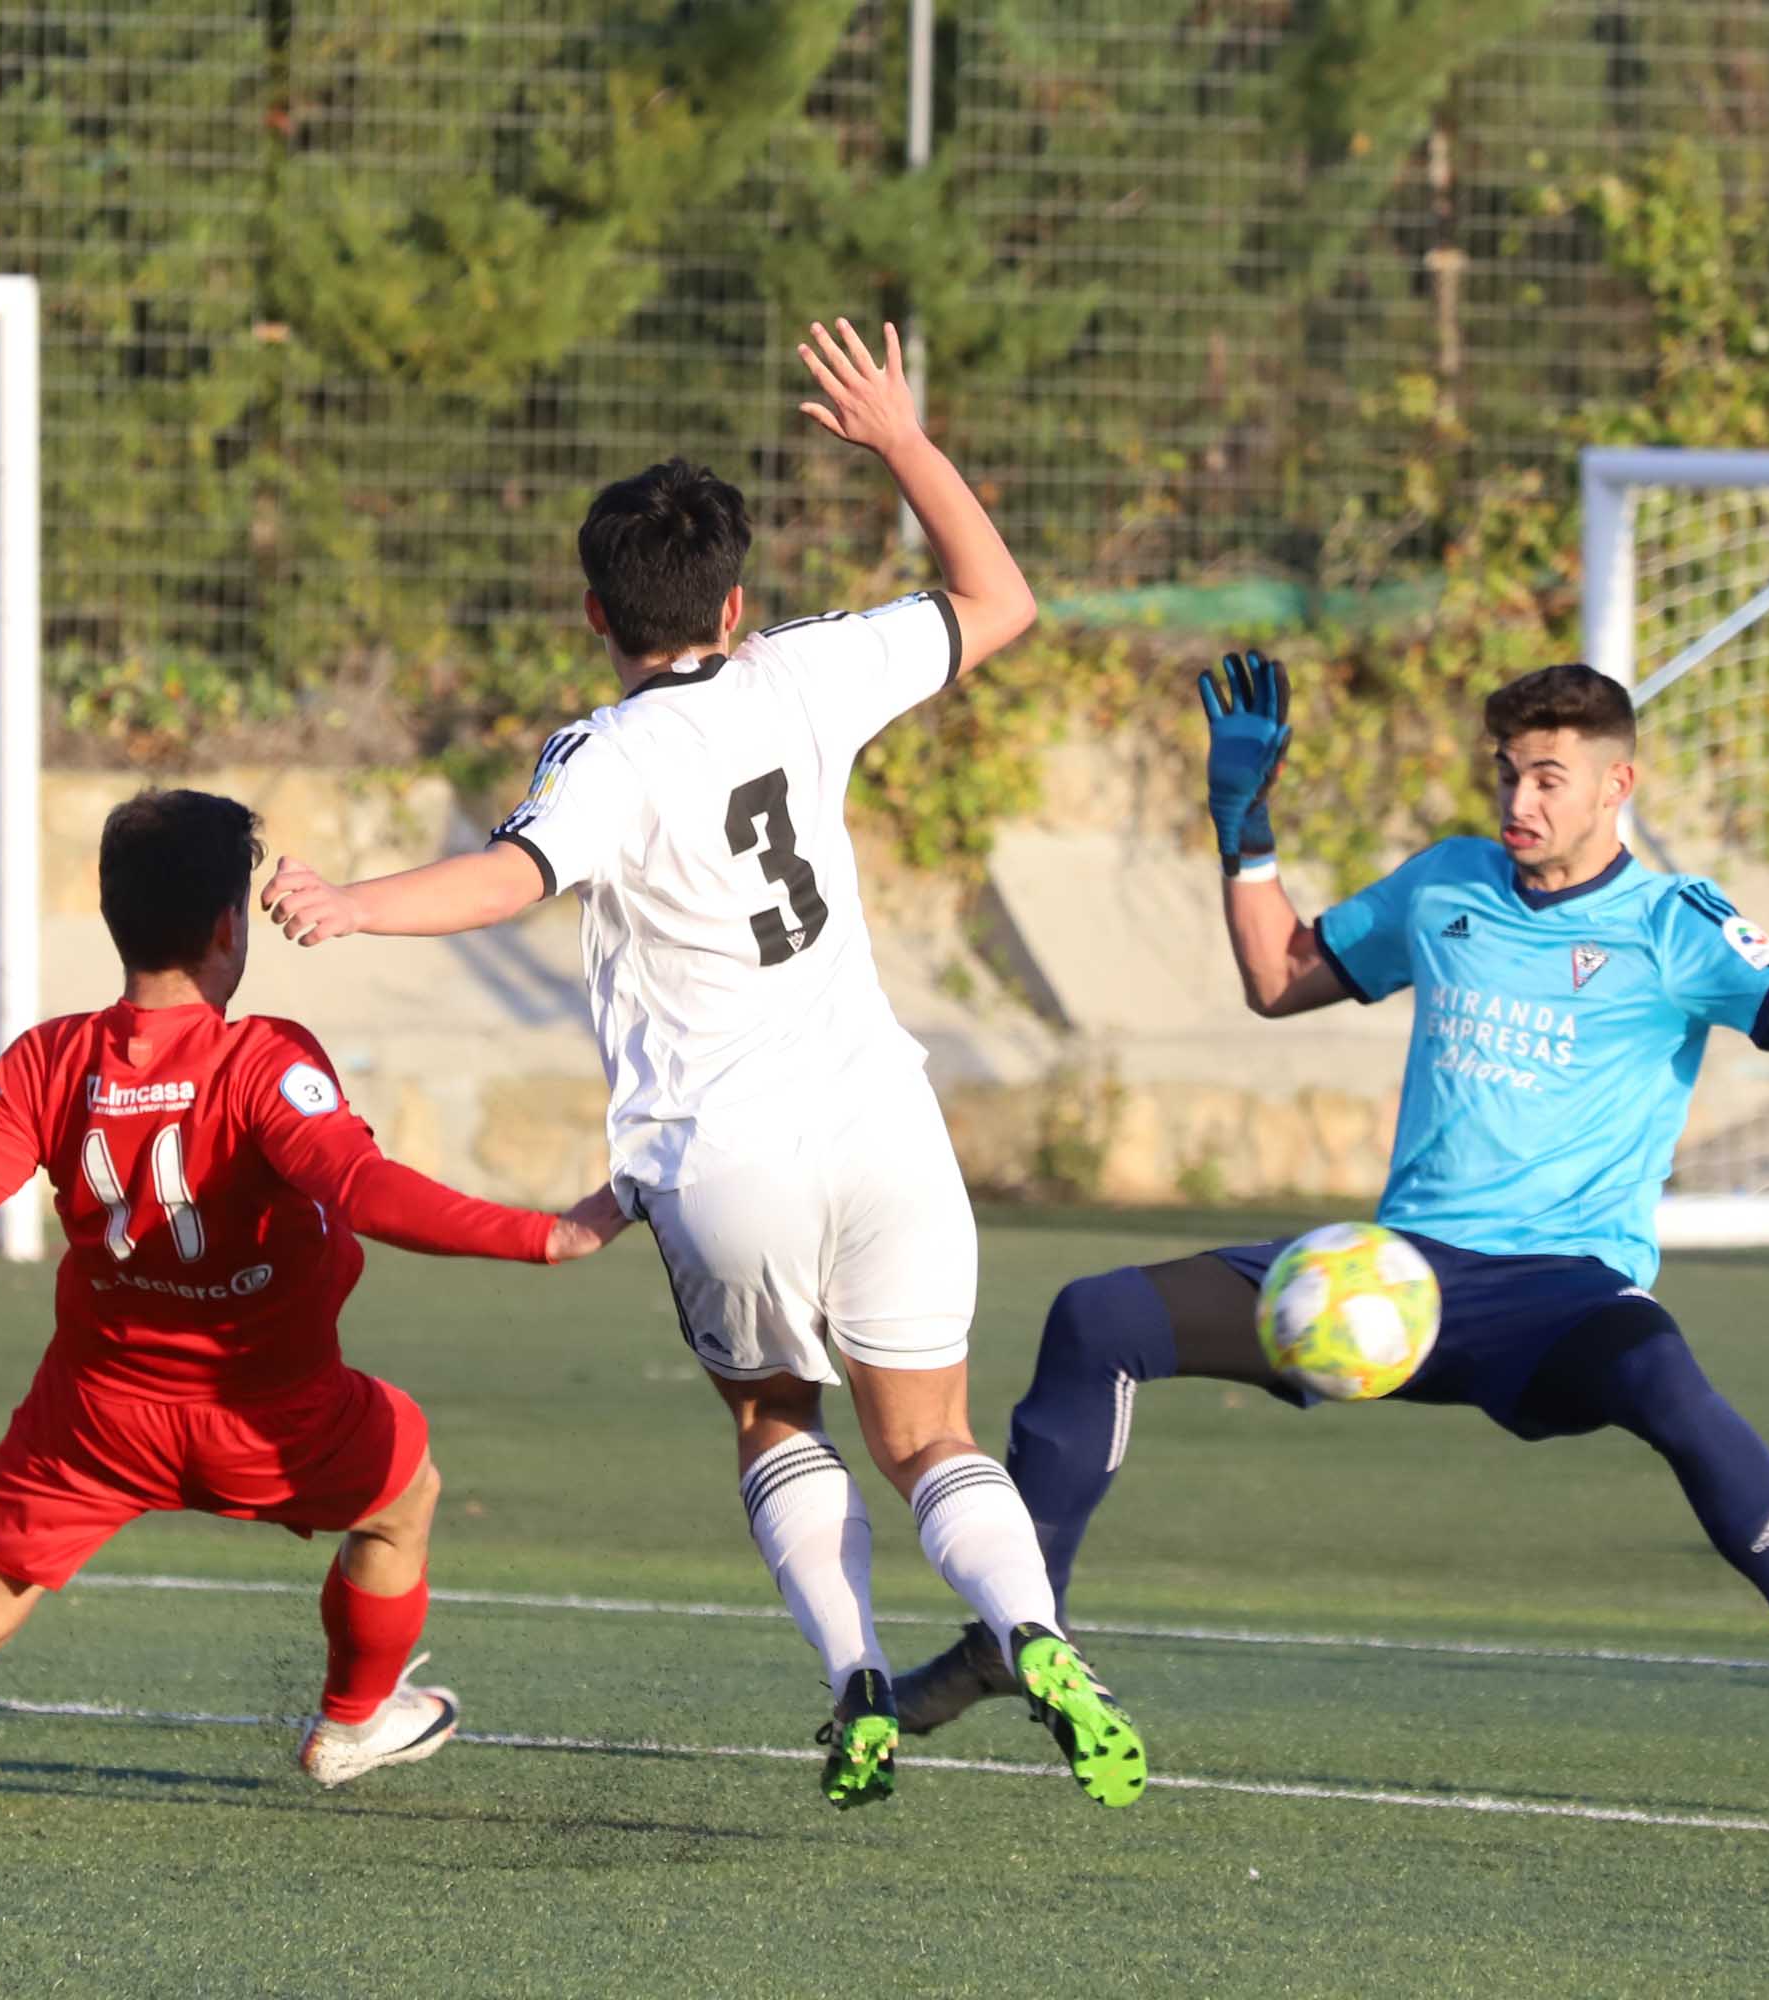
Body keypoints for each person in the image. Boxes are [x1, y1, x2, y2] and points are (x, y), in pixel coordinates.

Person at [892, 656, 1769, 1819]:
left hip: (1561, 1297)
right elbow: (1280, 979)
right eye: (1509, 772)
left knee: (1669, 1380)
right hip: (1391, 1283)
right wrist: (1245, 826)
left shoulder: (1678, 925)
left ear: (1619, 783)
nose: (1521, 799)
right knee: (1095, 1315)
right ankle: (1018, 1632)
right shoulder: (1448, 880)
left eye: (1549, 777)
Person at [258, 319, 1145, 1811]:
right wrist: (904, 441)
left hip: (720, 1156)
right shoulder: (805, 673)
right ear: (734, 601)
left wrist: (349, 904)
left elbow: (509, 878)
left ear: (596, 611)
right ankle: (1034, 1632)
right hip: (881, 1121)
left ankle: (858, 1674)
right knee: (927, 1433)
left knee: (773, 1417)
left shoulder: (599, 754)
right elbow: (1001, 599)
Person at [0, 787, 625, 1807]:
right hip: (275, 1413)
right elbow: (364, 1188)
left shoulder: (44, 1063)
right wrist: (545, 1234)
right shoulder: (265, 1058)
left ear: (112, 915)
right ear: (228, 926)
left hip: (94, 1417)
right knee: (405, 1493)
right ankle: (353, 1721)